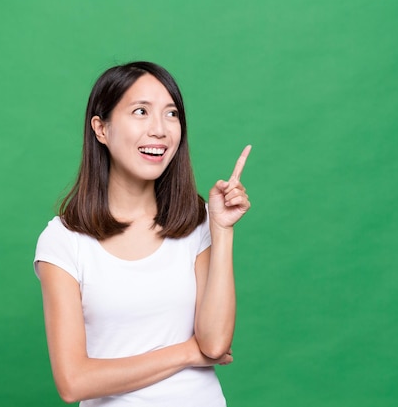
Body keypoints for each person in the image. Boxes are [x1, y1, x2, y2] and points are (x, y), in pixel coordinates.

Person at [33, 61, 251, 406]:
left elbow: (213, 344)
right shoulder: (64, 240)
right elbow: (73, 382)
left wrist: (221, 229)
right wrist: (185, 353)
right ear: (101, 129)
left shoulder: (195, 222)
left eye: (171, 114)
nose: (160, 130)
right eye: (140, 111)